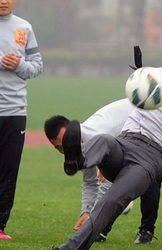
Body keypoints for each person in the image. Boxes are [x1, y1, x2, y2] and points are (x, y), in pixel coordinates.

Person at [53, 25, 162, 250]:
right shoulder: (157, 74)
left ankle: (69, 248)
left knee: (110, 202)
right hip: (124, 142)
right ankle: (78, 161)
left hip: (147, 159)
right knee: (104, 140)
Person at [44, 99, 135, 242]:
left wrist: (92, 224)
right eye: (58, 148)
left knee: (148, 177)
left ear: (72, 131)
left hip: (147, 113)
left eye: (64, 143)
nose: (64, 150)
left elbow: (106, 182)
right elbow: (90, 182)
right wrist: (86, 213)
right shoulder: (79, 144)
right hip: (124, 135)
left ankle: (144, 230)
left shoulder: (95, 136)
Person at [0, 0, 43, 240]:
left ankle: (0, 226)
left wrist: (19, 65)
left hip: (15, 111)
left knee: (8, 171)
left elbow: (37, 66)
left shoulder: (24, 28)